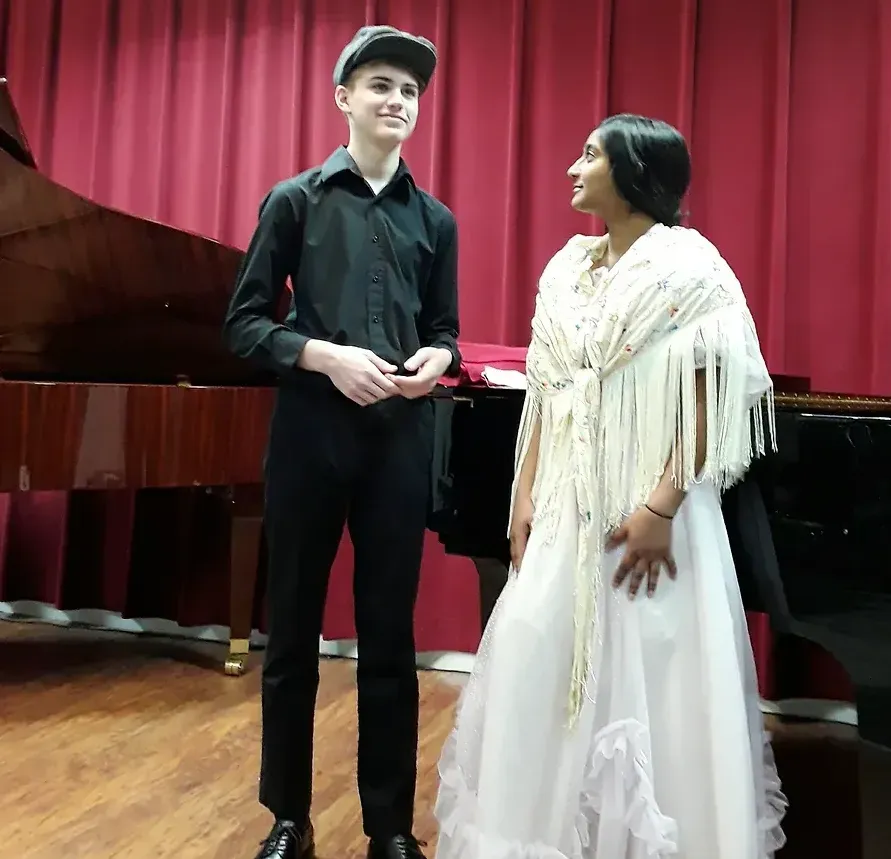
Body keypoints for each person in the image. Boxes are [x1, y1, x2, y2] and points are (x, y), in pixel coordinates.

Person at [432, 114, 788, 858]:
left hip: (650, 514)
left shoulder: (691, 269)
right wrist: (523, 491)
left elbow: (709, 399)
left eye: (589, 154)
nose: (573, 166)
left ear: (633, 173)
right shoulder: (565, 267)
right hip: (564, 504)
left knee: (655, 676)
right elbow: (544, 390)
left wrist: (660, 505)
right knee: (539, 658)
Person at [223, 25, 460, 859]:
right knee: (290, 635)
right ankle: (288, 817)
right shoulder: (293, 201)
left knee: (389, 639)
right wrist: (319, 354)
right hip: (308, 440)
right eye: (382, 85)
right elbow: (244, 325)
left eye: (410, 91)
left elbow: (445, 331)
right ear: (343, 99)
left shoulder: (436, 220)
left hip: (398, 443)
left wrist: (440, 358)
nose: (398, 101)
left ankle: (389, 826)